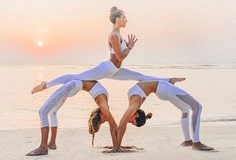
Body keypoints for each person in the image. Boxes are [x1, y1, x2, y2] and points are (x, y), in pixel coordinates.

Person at [31, 6, 175, 94]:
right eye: (124, 18)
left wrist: (128, 46)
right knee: (76, 77)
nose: (126, 20)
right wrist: (130, 47)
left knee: (139, 75)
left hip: (114, 70)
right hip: (107, 68)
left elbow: (120, 58)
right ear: (118, 19)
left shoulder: (119, 34)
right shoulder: (114, 35)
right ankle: (45, 85)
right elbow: (120, 58)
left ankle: (168, 80)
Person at [90, 80, 214, 151]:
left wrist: (117, 147)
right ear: (137, 114)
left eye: (132, 123)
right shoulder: (135, 105)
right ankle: (194, 143)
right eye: (133, 122)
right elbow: (121, 124)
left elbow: (120, 124)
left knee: (189, 109)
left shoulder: (134, 104)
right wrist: (117, 147)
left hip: (162, 89)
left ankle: (190, 141)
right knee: (196, 107)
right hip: (163, 88)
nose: (130, 122)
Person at [26, 80, 117, 156]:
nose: (106, 120)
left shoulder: (103, 102)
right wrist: (116, 147)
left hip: (73, 86)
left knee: (51, 112)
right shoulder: (103, 105)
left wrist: (115, 146)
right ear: (101, 114)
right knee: (44, 111)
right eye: (103, 122)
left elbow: (113, 126)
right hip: (72, 86)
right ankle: (44, 146)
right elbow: (113, 125)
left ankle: (51, 143)